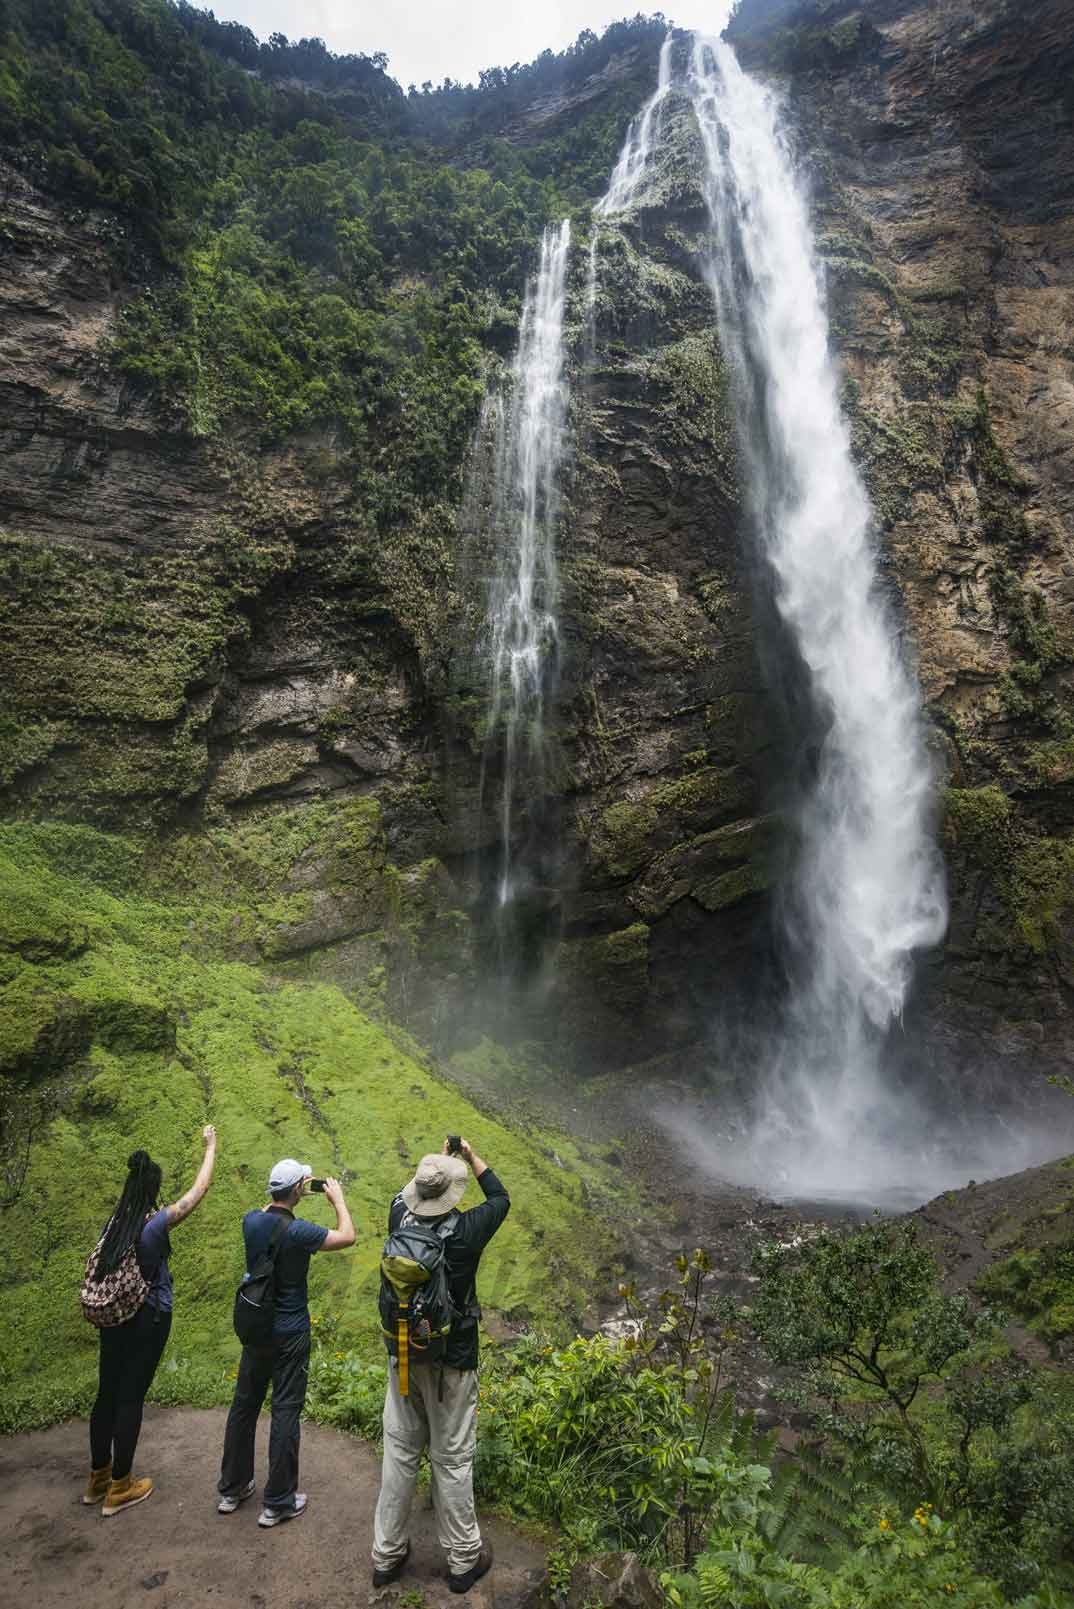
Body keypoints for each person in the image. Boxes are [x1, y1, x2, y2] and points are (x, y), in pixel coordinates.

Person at [372, 1138, 510, 1594]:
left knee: (400, 1450)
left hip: (404, 1355)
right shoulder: (468, 1230)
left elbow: (407, 1190)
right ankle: (462, 1560)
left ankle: (386, 1555)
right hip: (452, 1362)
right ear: (451, 1191)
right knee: (451, 1458)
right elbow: (500, 1196)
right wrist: (465, 1156)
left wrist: (436, 1164)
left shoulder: (398, 1216)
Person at [85, 1124, 218, 1515]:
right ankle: (121, 1486)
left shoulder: (116, 1226)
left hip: (113, 1319)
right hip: (147, 1319)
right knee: (131, 1397)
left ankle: (98, 1478)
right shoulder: (153, 1224)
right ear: (152, 1190)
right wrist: (212, 1146)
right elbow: (198, 1192)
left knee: (107, 1394)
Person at [217, 1159, 355, 1527]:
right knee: (285, 1409)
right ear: (298, 1190)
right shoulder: (300, 1232)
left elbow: (267, 1211)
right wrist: (337, 1200)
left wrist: (286, 1194)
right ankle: (277, 1501)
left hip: (256, 1327)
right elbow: (347, 1236)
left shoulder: (252, 1221)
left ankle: (232, 1488)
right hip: (290, 1331)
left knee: (244, 1405)